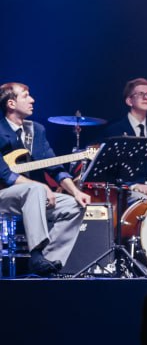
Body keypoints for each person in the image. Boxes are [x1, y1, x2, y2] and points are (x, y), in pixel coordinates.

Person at [0, 82, 90, 276]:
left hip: (32, 196)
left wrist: (76, 192)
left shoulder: (36, 130)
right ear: (11, 103)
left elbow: (54, 166)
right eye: (25, 96)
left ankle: (47, 262)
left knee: (75, 206)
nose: (32, 100)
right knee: (36, 189)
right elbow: (5, 175)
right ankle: (36, 252)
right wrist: (42, 187)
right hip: (4, 195)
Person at [103, 77, 147, 201]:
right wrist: (133, 185)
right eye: (141, 94)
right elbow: (109, 169)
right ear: (129, 101)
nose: (146, 97)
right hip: (127, 191)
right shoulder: (115, 130)